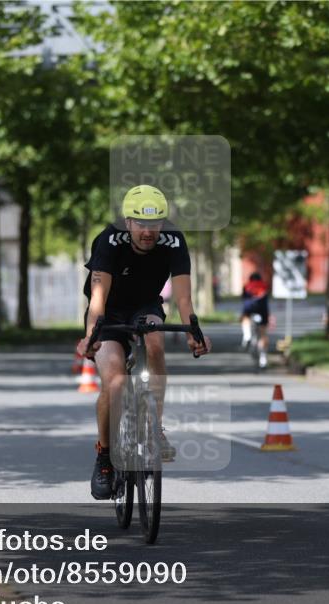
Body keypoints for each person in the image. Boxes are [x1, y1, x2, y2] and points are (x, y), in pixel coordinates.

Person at [76, 184, 211, 500]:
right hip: (109, 310)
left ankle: (155, 430)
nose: (148, 231)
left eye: (155, 223)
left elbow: (183, 296)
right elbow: (98, 297)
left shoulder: (174, 240)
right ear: (128, 222)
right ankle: (104, 456)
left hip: (146, 305)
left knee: (155, 344)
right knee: (116, 381)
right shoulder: (109, 240)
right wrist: (90, 336)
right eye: (141, 223)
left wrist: (194, 331)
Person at [240, 271, 270, 368]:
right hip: (262, 311)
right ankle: (263, 358)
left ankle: (247, 335)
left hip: (249, 309)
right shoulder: (264, 286)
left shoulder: (246, 286)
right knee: (263, 334)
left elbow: (243, 299)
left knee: (245, 317)